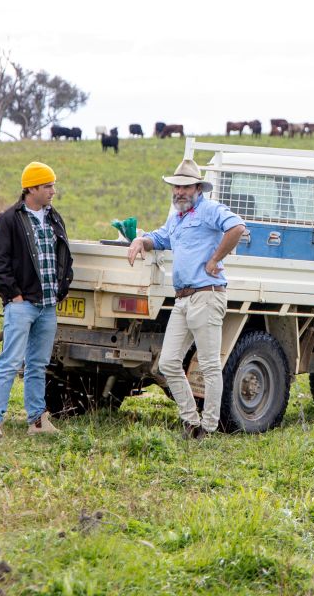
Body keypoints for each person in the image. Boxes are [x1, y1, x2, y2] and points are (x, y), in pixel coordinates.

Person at [126, 158, 245, 439]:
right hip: (182, 299)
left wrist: (215, 259)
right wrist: (140, 240)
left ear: (197, 188)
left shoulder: (209, 210)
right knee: (168, 362)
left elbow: (237, 227)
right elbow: (162, 237)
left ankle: (209, 427)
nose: (179, 192)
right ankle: (191, 421)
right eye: (176, 187)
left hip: (206, 295)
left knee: (209, 364)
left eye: (184, 187)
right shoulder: (177, 217)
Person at [0, 161, 74, 441]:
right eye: (47, 186)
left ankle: (37, 420)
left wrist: (60, 290)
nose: (53, 191)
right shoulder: (9, 219)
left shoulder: (53, 217)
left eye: (53, 185)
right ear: (31, 188)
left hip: (47, 305)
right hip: (22, 305)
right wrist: (14, 295)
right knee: (10, 362)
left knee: (37, 365)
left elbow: (63, 256)